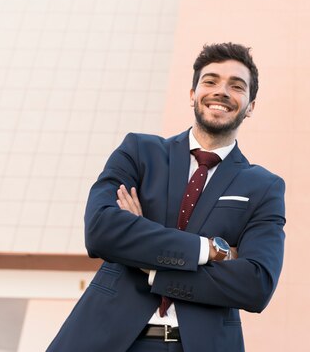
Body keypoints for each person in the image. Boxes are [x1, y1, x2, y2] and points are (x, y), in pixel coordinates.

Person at [48, 43, 286, 352]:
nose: (222, 91)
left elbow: (256, 284)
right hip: (103, 338)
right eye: (210, 81)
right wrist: (211, 250)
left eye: (236, 86)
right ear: (192, 94)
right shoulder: (139, 152)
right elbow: (100, 230)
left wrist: (148, 259)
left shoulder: (264, 186)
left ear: (250, 105)